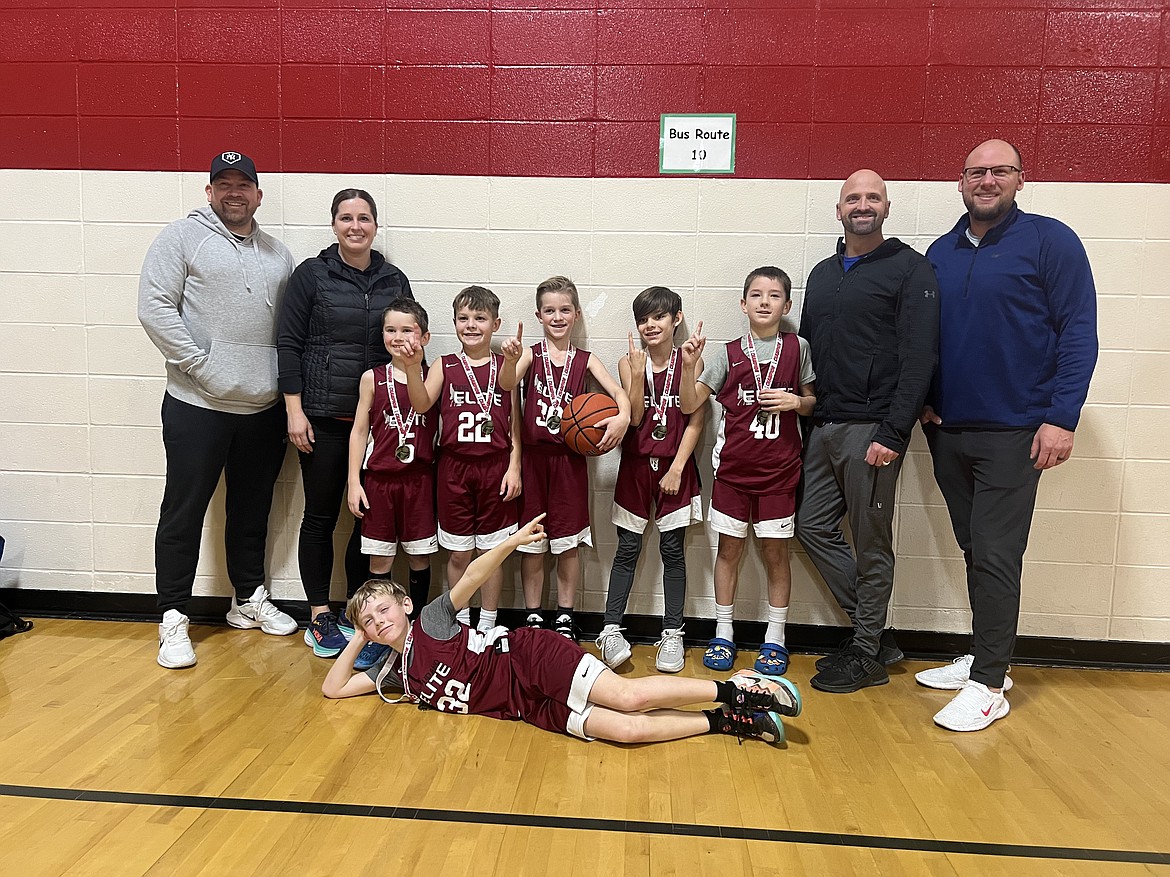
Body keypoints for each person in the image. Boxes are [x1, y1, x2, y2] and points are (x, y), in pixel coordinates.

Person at [322, 515, 802, 746]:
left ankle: (737, 689)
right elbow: (333, 688)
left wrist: (510, 541)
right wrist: (359, 637)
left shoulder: (430, 621)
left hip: (527, 657)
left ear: (405, 603)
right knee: (626, 732)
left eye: (383, 610)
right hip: (520, 705)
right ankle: (728, 721)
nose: (379, 621)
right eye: (370, 620)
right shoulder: (394, 676)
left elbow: (469, 577)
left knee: (628, 698)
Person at [918, 139, 1098, 731]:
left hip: (1018, 432)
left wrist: (1062, 416)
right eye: (975, 171)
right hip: (950, 431)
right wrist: (922, 401)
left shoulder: (1052, 241)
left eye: (1000, 171)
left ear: (1022, 179)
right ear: (960, 180)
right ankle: (984, 653)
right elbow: (921, 339)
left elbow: (1078, 333)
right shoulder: (939, 252)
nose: (987, 180)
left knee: (996, 554)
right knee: (976, 549)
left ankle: (990, 682)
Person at [139, 151, 297, 669]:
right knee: (183, 512)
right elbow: (154, 306)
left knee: (251, 511)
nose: (234, 192)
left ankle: (246, 599)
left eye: (243, 184)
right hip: (197, 403)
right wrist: (201, 366)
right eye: (223, 184)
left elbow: (289, 331)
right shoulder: (181, 238)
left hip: (262, 408)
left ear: (258, 194)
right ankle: (173, 618)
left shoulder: (278, 254)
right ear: (209, 192)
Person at [796, 170, 940, 694]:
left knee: (872, 541)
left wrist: (894, 431)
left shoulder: (910, 268)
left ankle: (864, 652)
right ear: (839, 210)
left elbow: (922, 356)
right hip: (825, 424)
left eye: (872, 197)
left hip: (873, 430)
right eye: (853, 198)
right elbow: (809, 350)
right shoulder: (822, 273)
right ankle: (875, 631)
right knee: (811, 527)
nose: (863, 205)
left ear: (886, 207)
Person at [278, 188, 414, 657]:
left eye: (364, 218)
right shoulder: (311, 276)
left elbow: (407, 342)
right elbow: (289, 344)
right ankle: (319, 615)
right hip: (320, 416)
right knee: (319, 515)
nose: (355, 226)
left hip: (378, 424)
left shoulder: (393, 278)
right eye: (345, 218)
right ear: (333, 225)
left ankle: (363, 616)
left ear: (376, 225)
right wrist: (294, 409)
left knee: (366, 520)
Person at [679, 268, 816, 677]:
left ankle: (775, 638)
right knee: (730, 552)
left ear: (787, 306)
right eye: (755, 294)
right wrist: (688, 366)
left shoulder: (798, 347)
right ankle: (724, 632)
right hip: (734, 473)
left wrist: (795, 403)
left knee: (776, 554)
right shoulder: (727, 352)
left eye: (774, 295)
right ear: (743, 304)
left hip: (779, 473)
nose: (764, 301)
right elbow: (688, 406)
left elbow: (813, 401)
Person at [499, 276, 631, 641]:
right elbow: (507, 384)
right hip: (533, 461)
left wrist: (622, 415)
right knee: (533, 544)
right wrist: (510, 360)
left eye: (564, 310)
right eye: (550, 310)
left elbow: (620, 392)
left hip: (570, 462)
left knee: (568, 544)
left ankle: (565, 615)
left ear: (575, 315)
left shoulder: (587, 361)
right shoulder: (529, 354)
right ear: (539, 315)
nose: (557, 317)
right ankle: (533, 615)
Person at [401, 285, 521, 632]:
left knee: (491, 554)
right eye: (463, 318)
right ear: (454, 323)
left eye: (480, 318)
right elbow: (422, 404)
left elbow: (515, 421)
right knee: (458, 552)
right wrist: (412, 368)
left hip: (495, 467)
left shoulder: (504, 365)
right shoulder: (445, 364)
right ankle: (461, 620)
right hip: (454, 467)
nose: (471, 325)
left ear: (495, 324)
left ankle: (489, 622)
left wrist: (514, 467)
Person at [597, 287, 705, 672]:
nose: (650, 325)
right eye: (644, 319)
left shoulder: (691, 358)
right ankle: (610, 629)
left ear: (676, 319)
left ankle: (673, 632)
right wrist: (639, 374)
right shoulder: (630, 363)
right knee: (627, 549)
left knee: (673, 551)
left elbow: (695, 417)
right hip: (636, 465)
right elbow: (638, 418)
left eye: (659, 317)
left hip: (676, 464)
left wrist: (677, 467)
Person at [346, 298, 439, 670]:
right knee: (381, 559)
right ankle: (374, 632)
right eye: (391, 329)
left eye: (407, 329)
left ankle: (413, 631)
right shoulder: (372, 377)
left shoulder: (434, 375)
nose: (398, 337)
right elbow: (359, 431)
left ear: (425, 336)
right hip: (380, 481)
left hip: (419, 481)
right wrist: (354, 481)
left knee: (419, 557)